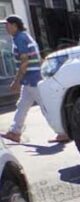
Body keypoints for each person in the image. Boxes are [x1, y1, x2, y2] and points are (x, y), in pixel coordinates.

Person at [1, 16, 70, 144]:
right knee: (22, 105)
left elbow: (24, 61)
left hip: (32, 79)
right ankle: (15, 132)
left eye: (8, 25)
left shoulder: (20, 39)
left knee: (45, 106)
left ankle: (62, 132)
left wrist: (16, 81)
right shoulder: (24, 36)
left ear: (15, 25)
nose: (6, 28)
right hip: (31, 78)